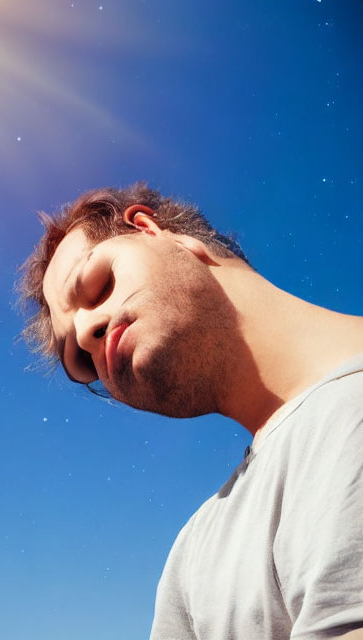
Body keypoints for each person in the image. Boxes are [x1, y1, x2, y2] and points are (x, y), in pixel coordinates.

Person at [18, 182, 363, 639]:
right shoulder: (194, 553)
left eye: (97, 285)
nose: (85, 334)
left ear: (153, 229)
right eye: (80, 363)